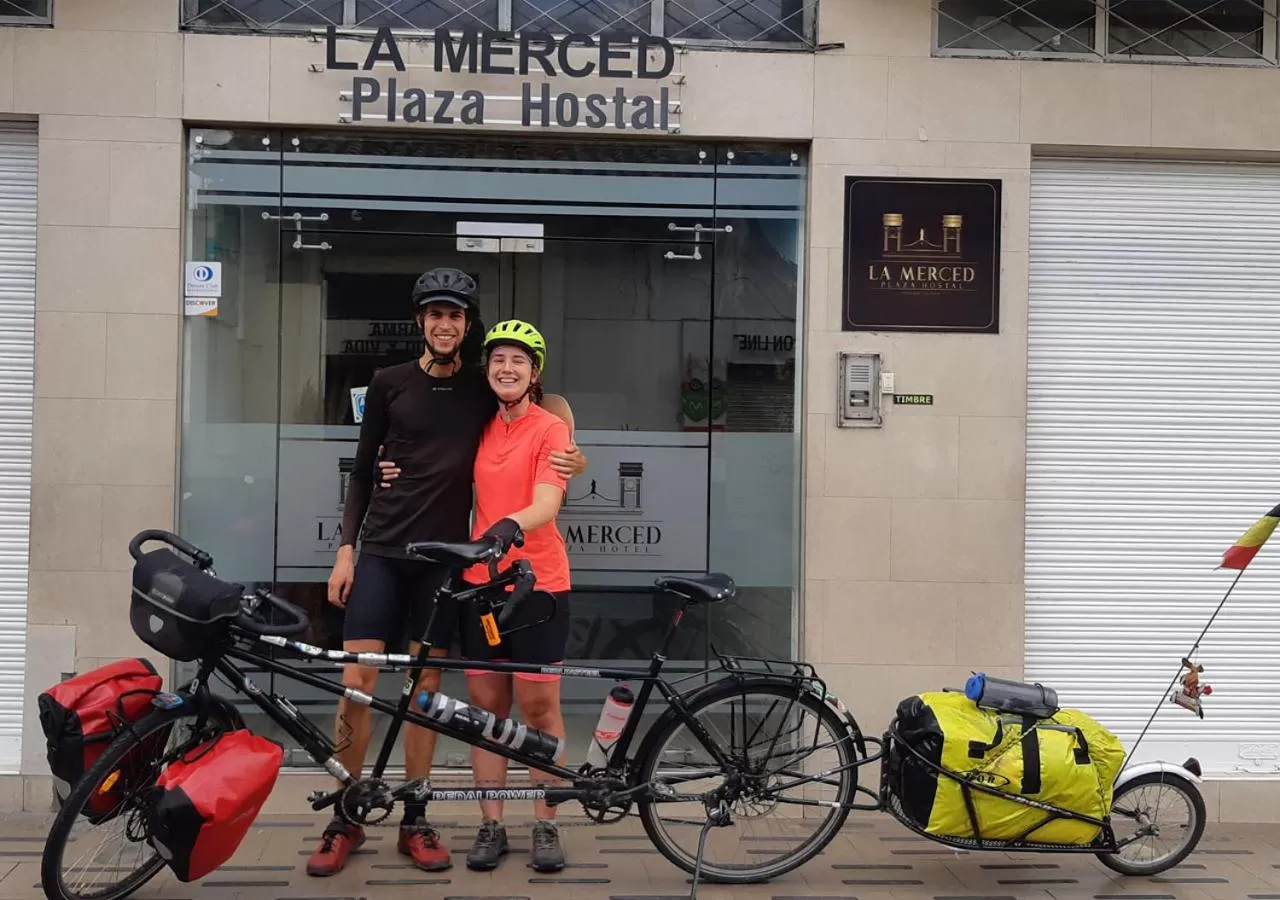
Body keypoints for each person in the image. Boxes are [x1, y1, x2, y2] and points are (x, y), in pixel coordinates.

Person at [307, 269, 586, 879]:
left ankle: (416, 816)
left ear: (466, 325)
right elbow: (360, 471)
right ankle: (344, 816)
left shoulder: (484, 391)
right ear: (419, 322)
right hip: (381, 551)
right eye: (434, 314)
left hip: (443, 564)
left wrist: (575, 452)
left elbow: (544, 404)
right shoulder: (388, 384)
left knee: (425, 694)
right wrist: (346, 549)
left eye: (455, 315)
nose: (444, 324)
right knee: (358, 681)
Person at [459, 319, 575, 874]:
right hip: (481, 587)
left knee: (538, 708)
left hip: (538, 584)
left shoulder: (551, 429)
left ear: (535, 373)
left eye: (519, 361)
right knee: (486, 710)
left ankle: (547, 823)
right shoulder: (479, 425)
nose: (507, 368)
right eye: (498, 359)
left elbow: (547, 503)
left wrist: (505, 527)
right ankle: (491, 825)